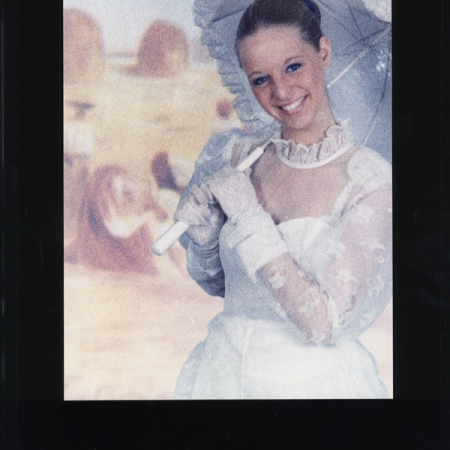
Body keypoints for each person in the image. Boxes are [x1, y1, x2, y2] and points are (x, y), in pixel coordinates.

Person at [172, 0, 392, 399]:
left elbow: (323, 323)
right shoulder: (237, 157)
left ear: (323, 53)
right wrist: (205, 239)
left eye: (293, 67)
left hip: (314, 388)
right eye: (261, 79)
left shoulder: (368, 179)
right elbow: (223, 285)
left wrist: (248, 217)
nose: (281, 91)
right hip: (221, 377)